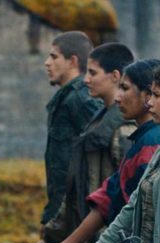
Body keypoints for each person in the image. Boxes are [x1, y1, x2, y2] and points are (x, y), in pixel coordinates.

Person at [44, 59, 160, 243]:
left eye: (125, 88)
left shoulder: (152, 143)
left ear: (147, 95)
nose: (119, 96)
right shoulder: (142, 142)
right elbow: (107, 198)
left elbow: (137, 216)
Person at [36, 42, 136, 243]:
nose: (86, 79)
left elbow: (123, 196)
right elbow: (76, 187)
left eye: (93, 73)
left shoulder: (121, 130)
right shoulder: (97, 120)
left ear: (114, 76)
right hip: (89, 240)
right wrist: (56, 234)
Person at [41, 31, 104, 225]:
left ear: (72, 61)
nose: (47, 63)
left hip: (75, 213)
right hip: (61, 209)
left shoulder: (80, 98)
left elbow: (100, 150)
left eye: (54, 57)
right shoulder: (66, 97)